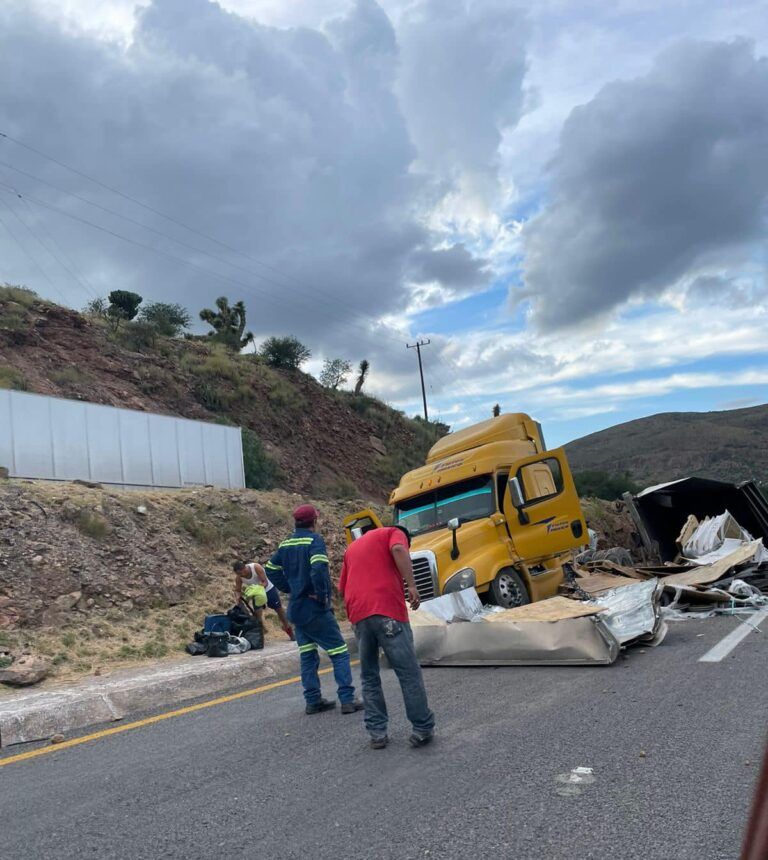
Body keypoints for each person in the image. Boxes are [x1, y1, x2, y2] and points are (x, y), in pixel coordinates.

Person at [338, 525, 435, 750]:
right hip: (387, 610)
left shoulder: (352, 548)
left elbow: (342, 587)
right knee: (408, 672)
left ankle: (377, 733)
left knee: (369, 676)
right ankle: (422, 728)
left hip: (360, 614)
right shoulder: (394, 532)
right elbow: (399, 549)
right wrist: (411, 584)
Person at [266, 504, 362, 715]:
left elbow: (270, 569)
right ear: (314, 521)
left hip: (296, 610)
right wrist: (320, 594)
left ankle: (313, 700)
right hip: (314, 608)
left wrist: (291, 588)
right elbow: (319, 567)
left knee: (308, 656)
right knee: (339, 652)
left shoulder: (286, 543)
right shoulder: (314, 540)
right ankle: (347, 699)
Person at [232, 560, 294, 640]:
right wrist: (238, 598)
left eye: (241, 573)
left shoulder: (256, 567)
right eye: (238, 574)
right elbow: (237, 590)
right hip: (257, 594)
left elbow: (265, 582)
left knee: (279, 610)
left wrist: (257, 588)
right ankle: (260, 636)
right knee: (257, 614)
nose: (240, 575)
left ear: (244, 568)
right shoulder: (239, 578)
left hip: (268, 589)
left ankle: (288, 629)